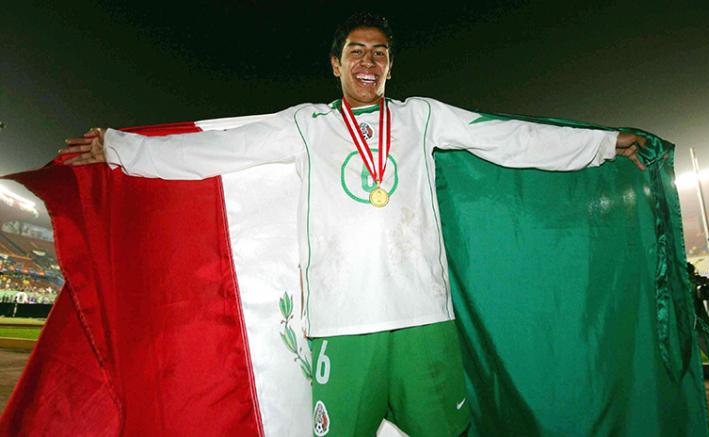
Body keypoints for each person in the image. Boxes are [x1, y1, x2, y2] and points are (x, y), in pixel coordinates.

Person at [60, 12, 646, 437]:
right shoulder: (306, 124)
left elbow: (508, 137)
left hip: (424, 318)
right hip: (343, 322)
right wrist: (119, 149)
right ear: (337, 63)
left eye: (380, 52)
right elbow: (216, 152)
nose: (369, 61)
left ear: (390, 66)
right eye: (358, 52)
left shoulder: (421, 118)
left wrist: (600, 143)